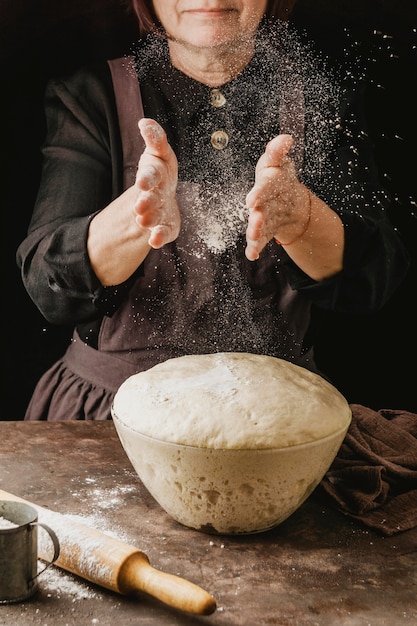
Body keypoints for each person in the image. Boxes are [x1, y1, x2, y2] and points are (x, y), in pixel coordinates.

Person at [17, 0, 409, 421]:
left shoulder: (321, 94)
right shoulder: (91, 95)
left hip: (276, 420)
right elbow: (49, 287)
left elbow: (373, 278)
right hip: (110, 417)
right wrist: (139, 217)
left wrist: (301, 220)